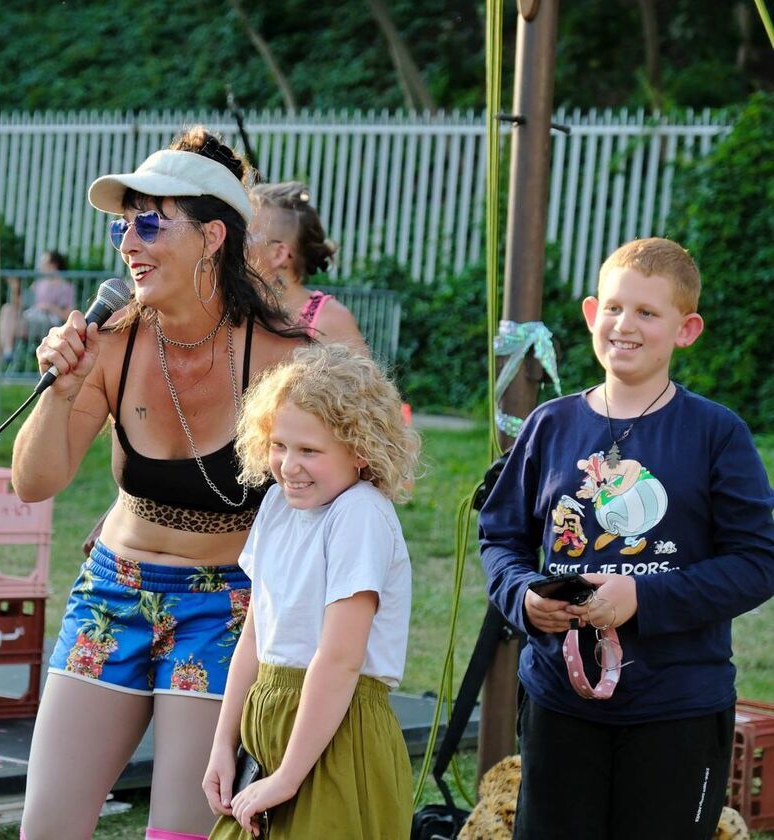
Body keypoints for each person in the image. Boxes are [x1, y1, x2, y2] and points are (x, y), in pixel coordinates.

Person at [11, 127, 305, 840]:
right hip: (113, 587)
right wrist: (61, 390)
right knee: (46, 827)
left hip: (225, 607)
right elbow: (34, 481)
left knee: (180, 829)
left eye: (150, 222)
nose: (128, 244)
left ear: (211, 238)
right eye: (122, 224)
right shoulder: (114, 339)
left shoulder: (286, 357)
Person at [479, 237, 774, 839]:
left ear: (685, 329)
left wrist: (643, 599)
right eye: (614, 307)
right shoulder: (550, 424)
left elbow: (759, 560)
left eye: (647, 312)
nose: (625, 325)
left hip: (677, 707)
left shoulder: (717, 433)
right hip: (560, 704)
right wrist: (524, 599)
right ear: (591, 314)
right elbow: (501, 538)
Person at [202, 343, 418, 839]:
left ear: (360, 450)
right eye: (279, 445)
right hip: (268, 734)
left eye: (310, 451)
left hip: (337, 735)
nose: (289, 465)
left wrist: (288, 776)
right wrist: (222, 744)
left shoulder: (359, 514)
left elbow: (340, 659)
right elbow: (254, 637)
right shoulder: (278, 505)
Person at [248, 182, 368, 352]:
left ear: (278, 254)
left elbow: (360, 379)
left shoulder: (329, 320)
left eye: (246, 235)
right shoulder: (237, 310)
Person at [0, 250, 76, 372]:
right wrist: (15, 288)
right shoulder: (38, 284)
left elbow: (69, 314)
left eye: (44, 262)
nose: (40, 266)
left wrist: (49, 307)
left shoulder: (65, 286)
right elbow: (20, 304)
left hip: (47, 323)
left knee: (4, 329)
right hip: (30, 319)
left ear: (53, 265)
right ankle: (8, 351)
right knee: (7, 310)